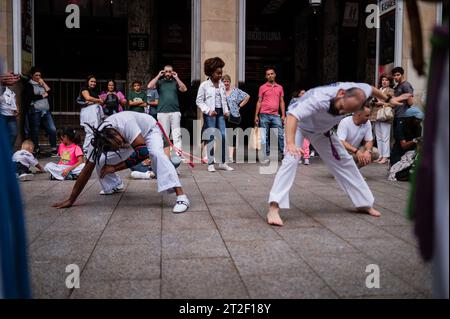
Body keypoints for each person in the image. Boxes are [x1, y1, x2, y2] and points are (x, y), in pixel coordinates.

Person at [266, 82, 412, 227]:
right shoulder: (319, 98)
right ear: (341, 93)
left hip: (322, 131)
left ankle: (364, 203)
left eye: (346, 112)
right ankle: (274, 207)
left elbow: (372, 89)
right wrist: (291, 143)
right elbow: (292, 116)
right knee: (291, 160)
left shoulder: (359, 92)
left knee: (345, 161)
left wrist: (387, 99)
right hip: (298, 126)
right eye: (341, 107)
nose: (341, 112)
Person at [52, 111, 190, 214]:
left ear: (116, 132)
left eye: (118, 143)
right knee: (99, 160)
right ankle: (114, 185)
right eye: (114, 147)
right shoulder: (97, 141)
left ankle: (181, 196)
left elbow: (142, 152)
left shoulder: (126, 122)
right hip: (129, 141)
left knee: (156, 154)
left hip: (149, 131)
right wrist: (71, 199)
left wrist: (115, 167)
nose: (118, 147)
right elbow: (86, 170)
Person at [196, 57, 234, 172]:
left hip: (221, 113)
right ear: (211, 72)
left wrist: (226, 111)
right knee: (211, 137)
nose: (220, 75)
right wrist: (208, 111)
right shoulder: (204, 85)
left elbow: (224, 100)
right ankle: (211, 163)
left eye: (221, 73)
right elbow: (199, 101)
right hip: (210, 114)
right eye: (218, 73)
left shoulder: (222, 85)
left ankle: (223, 163)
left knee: (223, 136)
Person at [147, 65, 188, 154]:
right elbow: (149, 86)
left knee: (176, 134)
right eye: (166, 71)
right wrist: (158, 75)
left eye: (170, 71)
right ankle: (165, 152)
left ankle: (178, 153)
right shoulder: (160, 82)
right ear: (163, 72)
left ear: (172, 72)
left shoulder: (175, 82)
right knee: (164, 134)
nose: (168, 73)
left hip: (175, 111)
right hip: (162, 111)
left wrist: (177, 77)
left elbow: (184, 89)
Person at [254, 67, 286, 163]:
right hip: (264, 115)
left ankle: (285, 154)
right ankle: (265, 155)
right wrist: (256, 115)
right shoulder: (262, 87)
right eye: (268, 74)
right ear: (266, 76)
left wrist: (283, 115)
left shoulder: (280, 87)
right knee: (264, 136)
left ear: (275, 75)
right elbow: (259, 102)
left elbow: (281, 102)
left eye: (271, 73)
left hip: (276, 115)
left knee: (281, 135)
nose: (270, 75)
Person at [24, 67, 57, 156]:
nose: (38, 77)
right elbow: (30, 97)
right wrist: (43, 95)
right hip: (35, 111)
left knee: (52, 129)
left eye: (39, 75)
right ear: (32, 75)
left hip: (45, 110)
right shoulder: (29, 84)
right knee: (35, 130)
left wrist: (43, 83)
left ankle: (54, 148)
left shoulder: (42, 83)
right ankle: (36, 149)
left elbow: (50, 92)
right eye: (36, 75)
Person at [222, 74, 250, 163]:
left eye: (227, 81)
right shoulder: (220, 91)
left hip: (233, 117)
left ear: (230, 82)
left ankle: (230, 157)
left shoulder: (236, 91)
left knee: (232, 136)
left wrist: (239, 106)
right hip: (222, 117)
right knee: (222, 135)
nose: (226, 83)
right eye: (224, 81)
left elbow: (247, 96)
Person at [370, 74, 395, 165]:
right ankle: (380, 155)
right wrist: (373, 101)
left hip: (385, 115)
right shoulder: (379, 90)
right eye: (383, 80)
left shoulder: (391, 91)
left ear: (389, 82)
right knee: (379, 137)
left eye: (386, 80)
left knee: (385, 137)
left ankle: (386, 156)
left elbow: (393, 104)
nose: (384, 82)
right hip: (376, 115)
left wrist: (382, 103)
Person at [78, 75, 105, 153]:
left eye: (94, 82)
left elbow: (100, 102)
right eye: (91, 81)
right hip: (89, 112)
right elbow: (87, 98)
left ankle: (93, 149)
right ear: (88, 82)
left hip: (95, 112)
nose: (93, 83)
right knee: (90, 131)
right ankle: (86, 150)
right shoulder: (84, 89)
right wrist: (98, 100)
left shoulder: (95, 92)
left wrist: (96, 101)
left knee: (96, 131)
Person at [392, 67, 415, 148]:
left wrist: (401, 100)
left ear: (402, 75)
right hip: (397, 115)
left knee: (403, 141)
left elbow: (411, 102)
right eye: (394, 75)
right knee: (398, 138)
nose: (396, 77)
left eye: (398, 75)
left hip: (403, 116)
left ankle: (418, 141)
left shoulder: (406, 85)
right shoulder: (397, 86)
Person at [289, 89, 310, 165]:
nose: (304, 94)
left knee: (306, 143)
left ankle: (306, 158)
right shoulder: (295, 100)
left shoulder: (309, 101)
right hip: (297, 123)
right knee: (298, 141)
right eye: (302, 93)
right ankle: (299, 157)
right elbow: (290, 110)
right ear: (299, 94)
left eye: (305, 93)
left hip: (306, 123)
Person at [0, 79, 19, 148]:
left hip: (11, 116)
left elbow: (15, 102)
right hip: (2, 116)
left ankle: (8, 150)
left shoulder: (11, 92)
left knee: (14, 133)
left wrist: (17, 109)